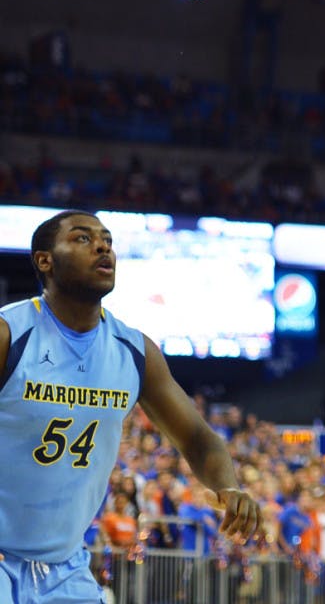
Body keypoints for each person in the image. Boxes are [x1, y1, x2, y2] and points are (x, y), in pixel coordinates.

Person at [0, 209, 261, 604]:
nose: (103, 245)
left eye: (106, 239)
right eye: (83, 238)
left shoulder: (135, 352)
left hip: (65, 569)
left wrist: (227, 485)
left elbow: (197, 437)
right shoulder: (11, 334)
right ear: (44, 260)